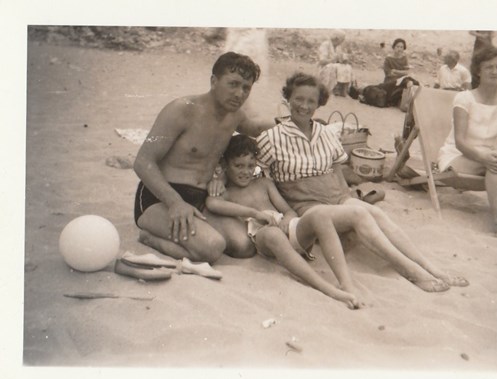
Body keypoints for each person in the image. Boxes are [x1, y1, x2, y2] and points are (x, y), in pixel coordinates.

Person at [257, 72, 469, 293]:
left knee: (375, 213)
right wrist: (287, 211)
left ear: (319, 103)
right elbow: (263, 180)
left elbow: (337, 167)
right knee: (360, 214)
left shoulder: (325, 133)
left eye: (311, 100)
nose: (304, 105)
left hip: (336, 197)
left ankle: (431, 267)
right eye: (298, 99)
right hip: (307, 207)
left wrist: (346, 197)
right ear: (287, 99)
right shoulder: (272, 137)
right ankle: (412, 272)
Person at [132, 52, 274, 266]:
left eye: (246, 87)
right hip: (159, 198)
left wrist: (301, 120)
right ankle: (150, 238)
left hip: (200, 199)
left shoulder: (234, 116)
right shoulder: (181, 109)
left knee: (244, 247)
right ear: (214, 81)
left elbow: (256, 128)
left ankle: (191, 236)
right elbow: (143, 162)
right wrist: (175, 203)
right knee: (212, 247)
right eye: (233, 84)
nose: (239, 93)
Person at [206, 135, 362, 309]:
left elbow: (288, 211)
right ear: (226, 166)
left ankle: (346, 283)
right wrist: (255, 213)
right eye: (238, 166)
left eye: (251, 166)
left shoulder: (264, 184)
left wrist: (287, 220)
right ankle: (326, 288)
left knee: (319, 215)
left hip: (289, 230)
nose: (246, 171)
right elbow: (212, 203)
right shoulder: (228, 194)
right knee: (273, 234)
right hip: (264, 236)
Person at [437, 46, 497, 240]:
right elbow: (459, 141)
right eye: (489, 67)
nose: (495, 71)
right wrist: (486, 157)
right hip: (458, 155)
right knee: (495, 166)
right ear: (478, 70)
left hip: (488, 156)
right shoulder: (464, 99)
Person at [317, 30, 353, 96]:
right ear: (337, 38)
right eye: (342, 39)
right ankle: (331, 89)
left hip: (333, 65)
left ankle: (343, 90)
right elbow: (322, 61)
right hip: (324, 67)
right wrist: (333, 60)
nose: (343, 41)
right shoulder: (325, 45)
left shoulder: (338, 47)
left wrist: (343, 60)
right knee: (333, 67)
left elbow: (338, 60)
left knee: (347, 67)